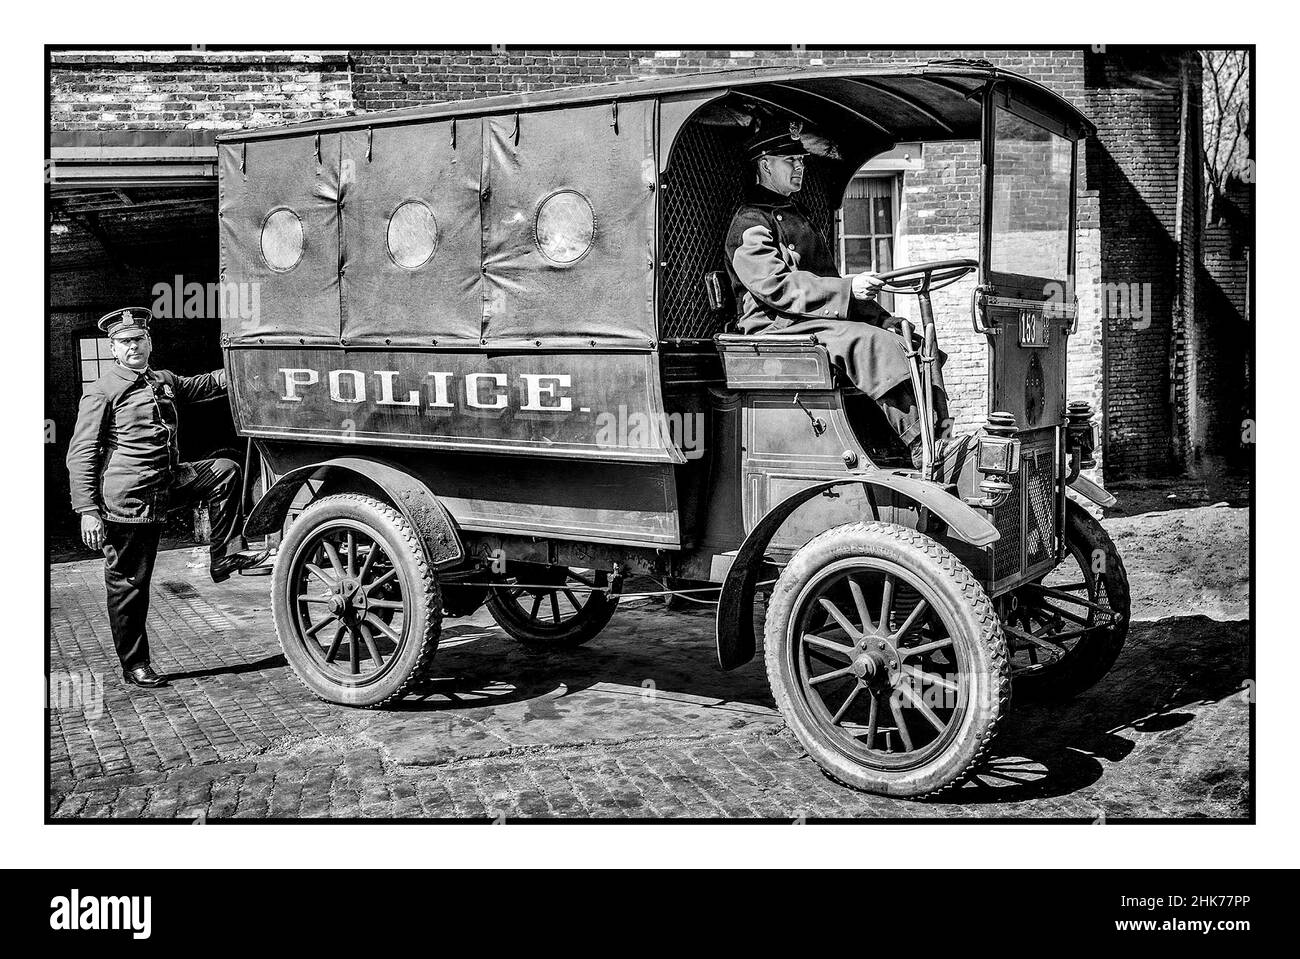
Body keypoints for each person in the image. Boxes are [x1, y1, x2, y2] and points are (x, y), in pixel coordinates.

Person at [724, 120, 963, 469]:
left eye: (802, 161)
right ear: (765, 165)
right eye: (791, 161)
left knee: (907, 336)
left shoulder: (794, 213)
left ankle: (940, 438)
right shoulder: (750, 222)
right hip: (775, 329)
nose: (800, 167)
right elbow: (776, 286)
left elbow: (825, 284)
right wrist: (849, 287)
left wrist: (883, 317)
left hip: (807, 322)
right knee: (869, 343)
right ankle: (923, 445)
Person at [66, 307, 268, 689]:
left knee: (224, 470)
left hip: (168, 484)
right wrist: (87, 510)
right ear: (113, 348)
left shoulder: (162, 380)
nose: (133, 347)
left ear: (149, 342)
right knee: (130, 585)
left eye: (139, 339)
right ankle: (135, 664)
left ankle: (223, 554)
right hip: (128, 500)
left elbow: (206, 384)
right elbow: (82, 452)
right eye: (125, 342)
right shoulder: (102, 390)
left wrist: (247, 365)